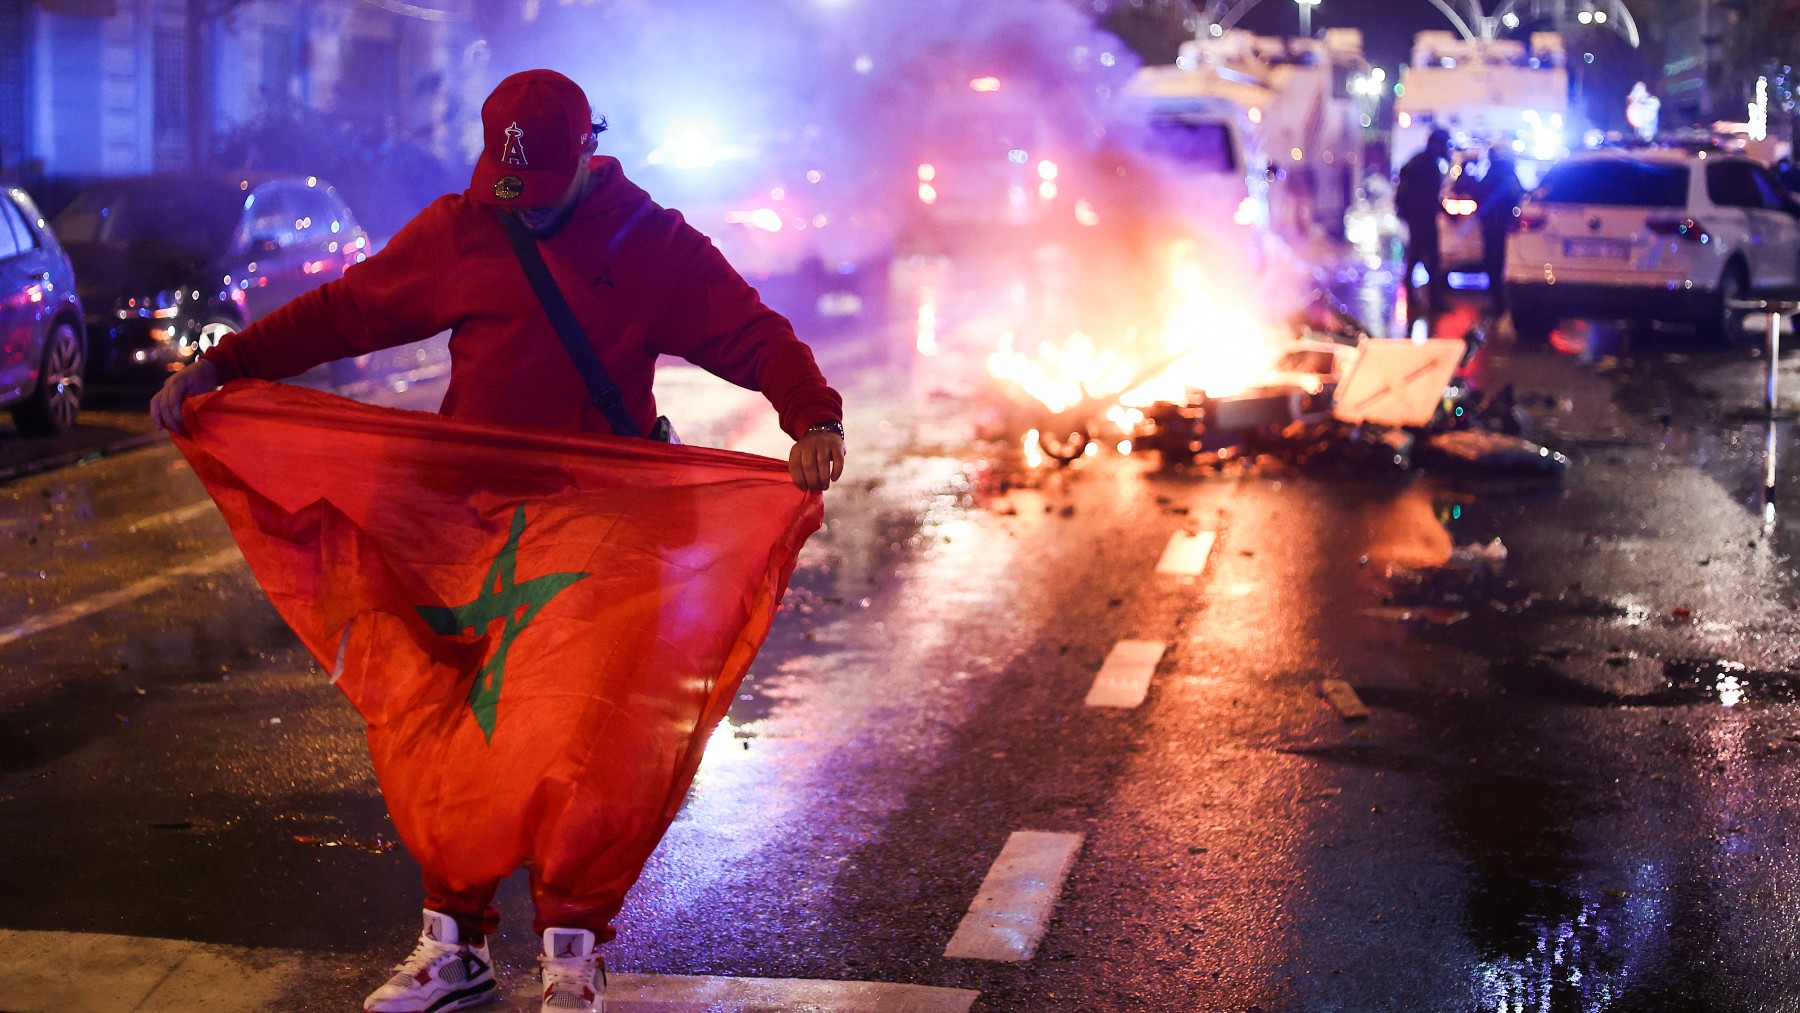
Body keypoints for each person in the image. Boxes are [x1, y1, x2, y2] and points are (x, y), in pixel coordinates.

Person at [150, 68, 847, 1013]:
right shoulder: (466, 226)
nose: (523, 206)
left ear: (586, 154)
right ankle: (455, 943)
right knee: (447, 731)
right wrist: (222, 368)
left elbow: (751, 333)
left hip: (604, 528)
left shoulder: (652, 244)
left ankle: (572, 950)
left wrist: (812, 417)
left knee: (582, 738)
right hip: (469, 530)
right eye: (506, 186)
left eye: (540, 187)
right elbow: (347, 311)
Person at [1393, 128, 1452, 333]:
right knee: (1424, 258)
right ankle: (1425, 299)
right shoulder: (1426, 165)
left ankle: (1421, 298)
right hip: (1421, 219)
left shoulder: (1422, 162)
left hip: (1419, 218)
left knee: (1420, 258)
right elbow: (1426, 197)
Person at [1476, 144, 1526, 320]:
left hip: (1494, 227)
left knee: (1494, 266)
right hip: (1506, 228)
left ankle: (1499, 305)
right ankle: (1503, 304)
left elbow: (1480, 193)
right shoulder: (1511, 177)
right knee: (1503, 266)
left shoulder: (1493, 176)